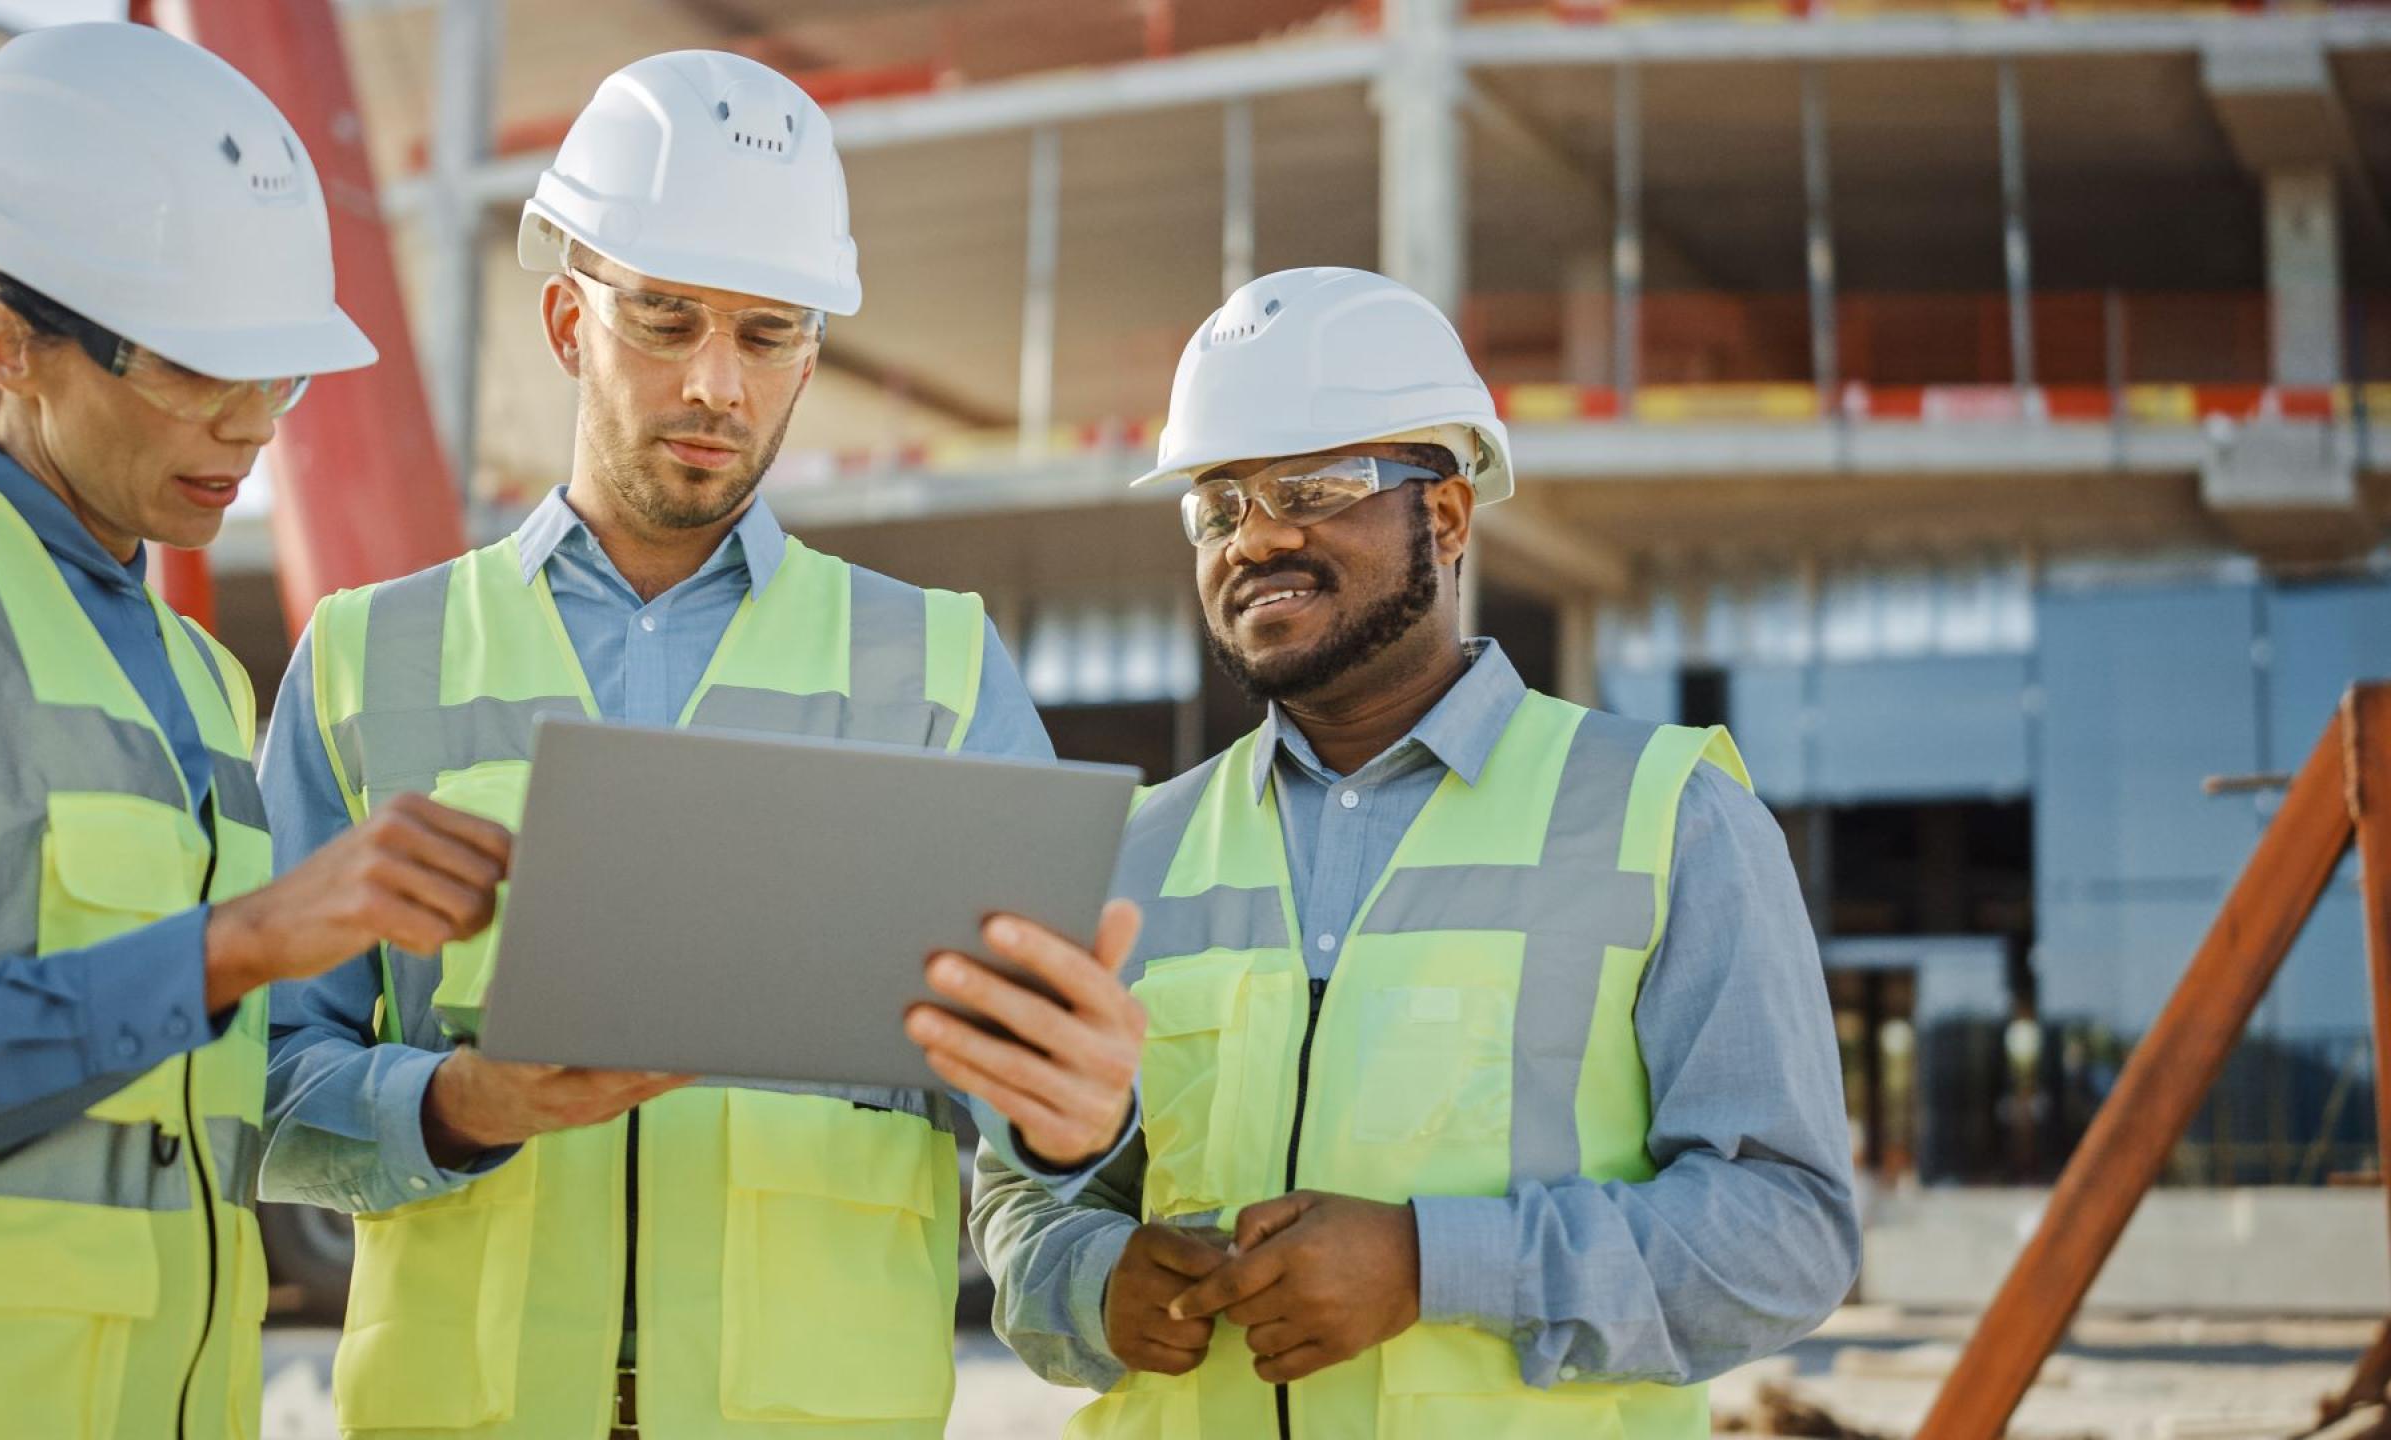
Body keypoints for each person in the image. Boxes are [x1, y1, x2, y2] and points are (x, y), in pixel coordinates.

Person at [257, 50, 1145, 1438]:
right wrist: (458, 1104)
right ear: (566, 320)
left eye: (767, 334)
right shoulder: (372, 661)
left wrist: (1083, 1108)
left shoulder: (940, 671)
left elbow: (1039, 1120)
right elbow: (254, 1083)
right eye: (666, 323)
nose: (718, 386)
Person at [970, 267, 1862, 1438]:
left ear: (1443, 517)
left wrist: (1432, 1263)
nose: (1259, 537)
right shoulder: (1131, 855)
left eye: (1314, 486)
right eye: (1220, 503)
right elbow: (1022, 1190)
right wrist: (1094, 1281)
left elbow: (1785, 1236)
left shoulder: (1668, 817)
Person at [0, 23, 514, 1438]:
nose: (255, 424)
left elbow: (204, 1114)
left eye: (278, 374)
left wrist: (468, 1098)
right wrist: (241, 946)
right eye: (202, 369)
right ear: (9, 343)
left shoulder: (207, 680)